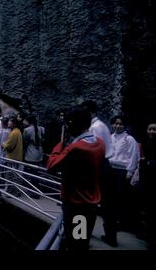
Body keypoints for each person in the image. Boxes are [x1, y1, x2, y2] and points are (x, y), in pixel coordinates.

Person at [47, 105, 105, 251]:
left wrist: (61, 143)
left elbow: (51, 165)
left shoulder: (75, 148)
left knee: (75, 245)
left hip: (76, 206)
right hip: (90, 204)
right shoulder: (100, 143)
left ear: (71, 124)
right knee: (81, 243)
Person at [82, 100, 116, 246]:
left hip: (98, 165)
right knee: (106, 205)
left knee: (87, 203)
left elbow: (93, 150)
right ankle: (110, 237)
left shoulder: (94, 127)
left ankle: (82, 236)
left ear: (90, 112)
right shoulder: (101, 125)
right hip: (105, 165)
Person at [109, 115, 140, 231]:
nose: (117, 126)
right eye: (115, 123)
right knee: (112, 197)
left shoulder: (129, 139)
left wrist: (130, 172)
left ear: (125, 126)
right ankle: (112, 220)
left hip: (122, 171)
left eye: (120, 124)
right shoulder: (111, 137)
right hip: (111, 169)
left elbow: (133, 156)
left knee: (121, 197)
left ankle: (121, 223)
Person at [140, 121, 156, 249]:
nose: (152, 132)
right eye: (150, 129)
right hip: (147, 178)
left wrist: (148, 162)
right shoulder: (146, 143)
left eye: (154, 130)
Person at [2, 117, 24, 194]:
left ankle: (10, 191)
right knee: (15, 175)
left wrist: (3, 145)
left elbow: (9, 146)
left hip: (12, 157)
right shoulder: (18, 131)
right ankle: (15, 191)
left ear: (14, 124)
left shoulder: (14, 133)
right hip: (17, 157)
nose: (8, 123)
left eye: (10, 122)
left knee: (10, 175)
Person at [0, 117, 11, 183]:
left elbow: (3, 141)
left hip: (4, 150)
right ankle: (0, 179)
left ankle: (2, 180)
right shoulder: (5, 130)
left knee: (2, 165)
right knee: (2, 165)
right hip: (2, 149)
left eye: (2, 123)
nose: (1, 124)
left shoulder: (6, 131)